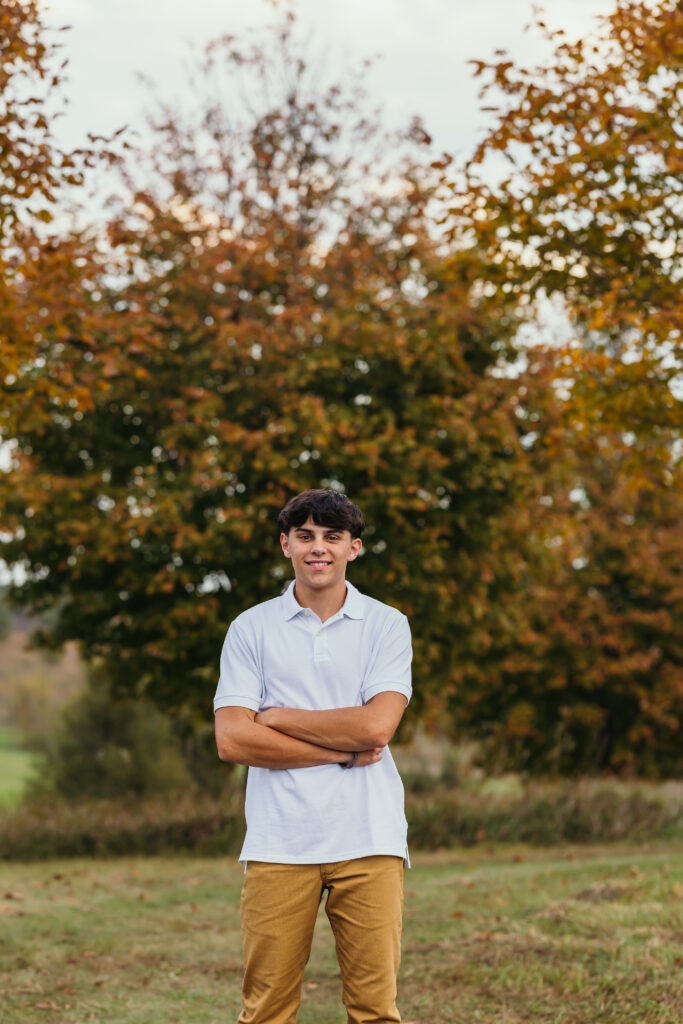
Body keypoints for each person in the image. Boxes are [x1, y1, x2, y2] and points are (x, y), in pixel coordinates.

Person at [214, 488, 413, 1024]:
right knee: (267, 1012)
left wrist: (277, 717)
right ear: (286, 545)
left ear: (354, 548)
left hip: (369, 838)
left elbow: (376, 727)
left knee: (375, 1012)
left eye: (332, 537)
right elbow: (233, 740)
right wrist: (344, 754)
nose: (318, 547)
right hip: (279, 841)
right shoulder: (250, 628)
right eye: (305, 536)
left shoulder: (387, 624)